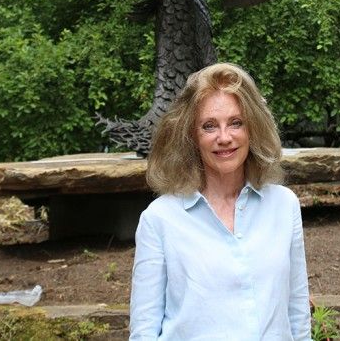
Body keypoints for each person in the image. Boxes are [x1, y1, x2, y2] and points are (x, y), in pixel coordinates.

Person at [129, 63, 311, 340]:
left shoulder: (284, 206)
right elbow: (143, 332)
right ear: (191, 136)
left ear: (253, 129)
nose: (224, 138)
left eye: (236, 123)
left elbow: (297, 314)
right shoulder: (160, 219)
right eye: (209, 126)